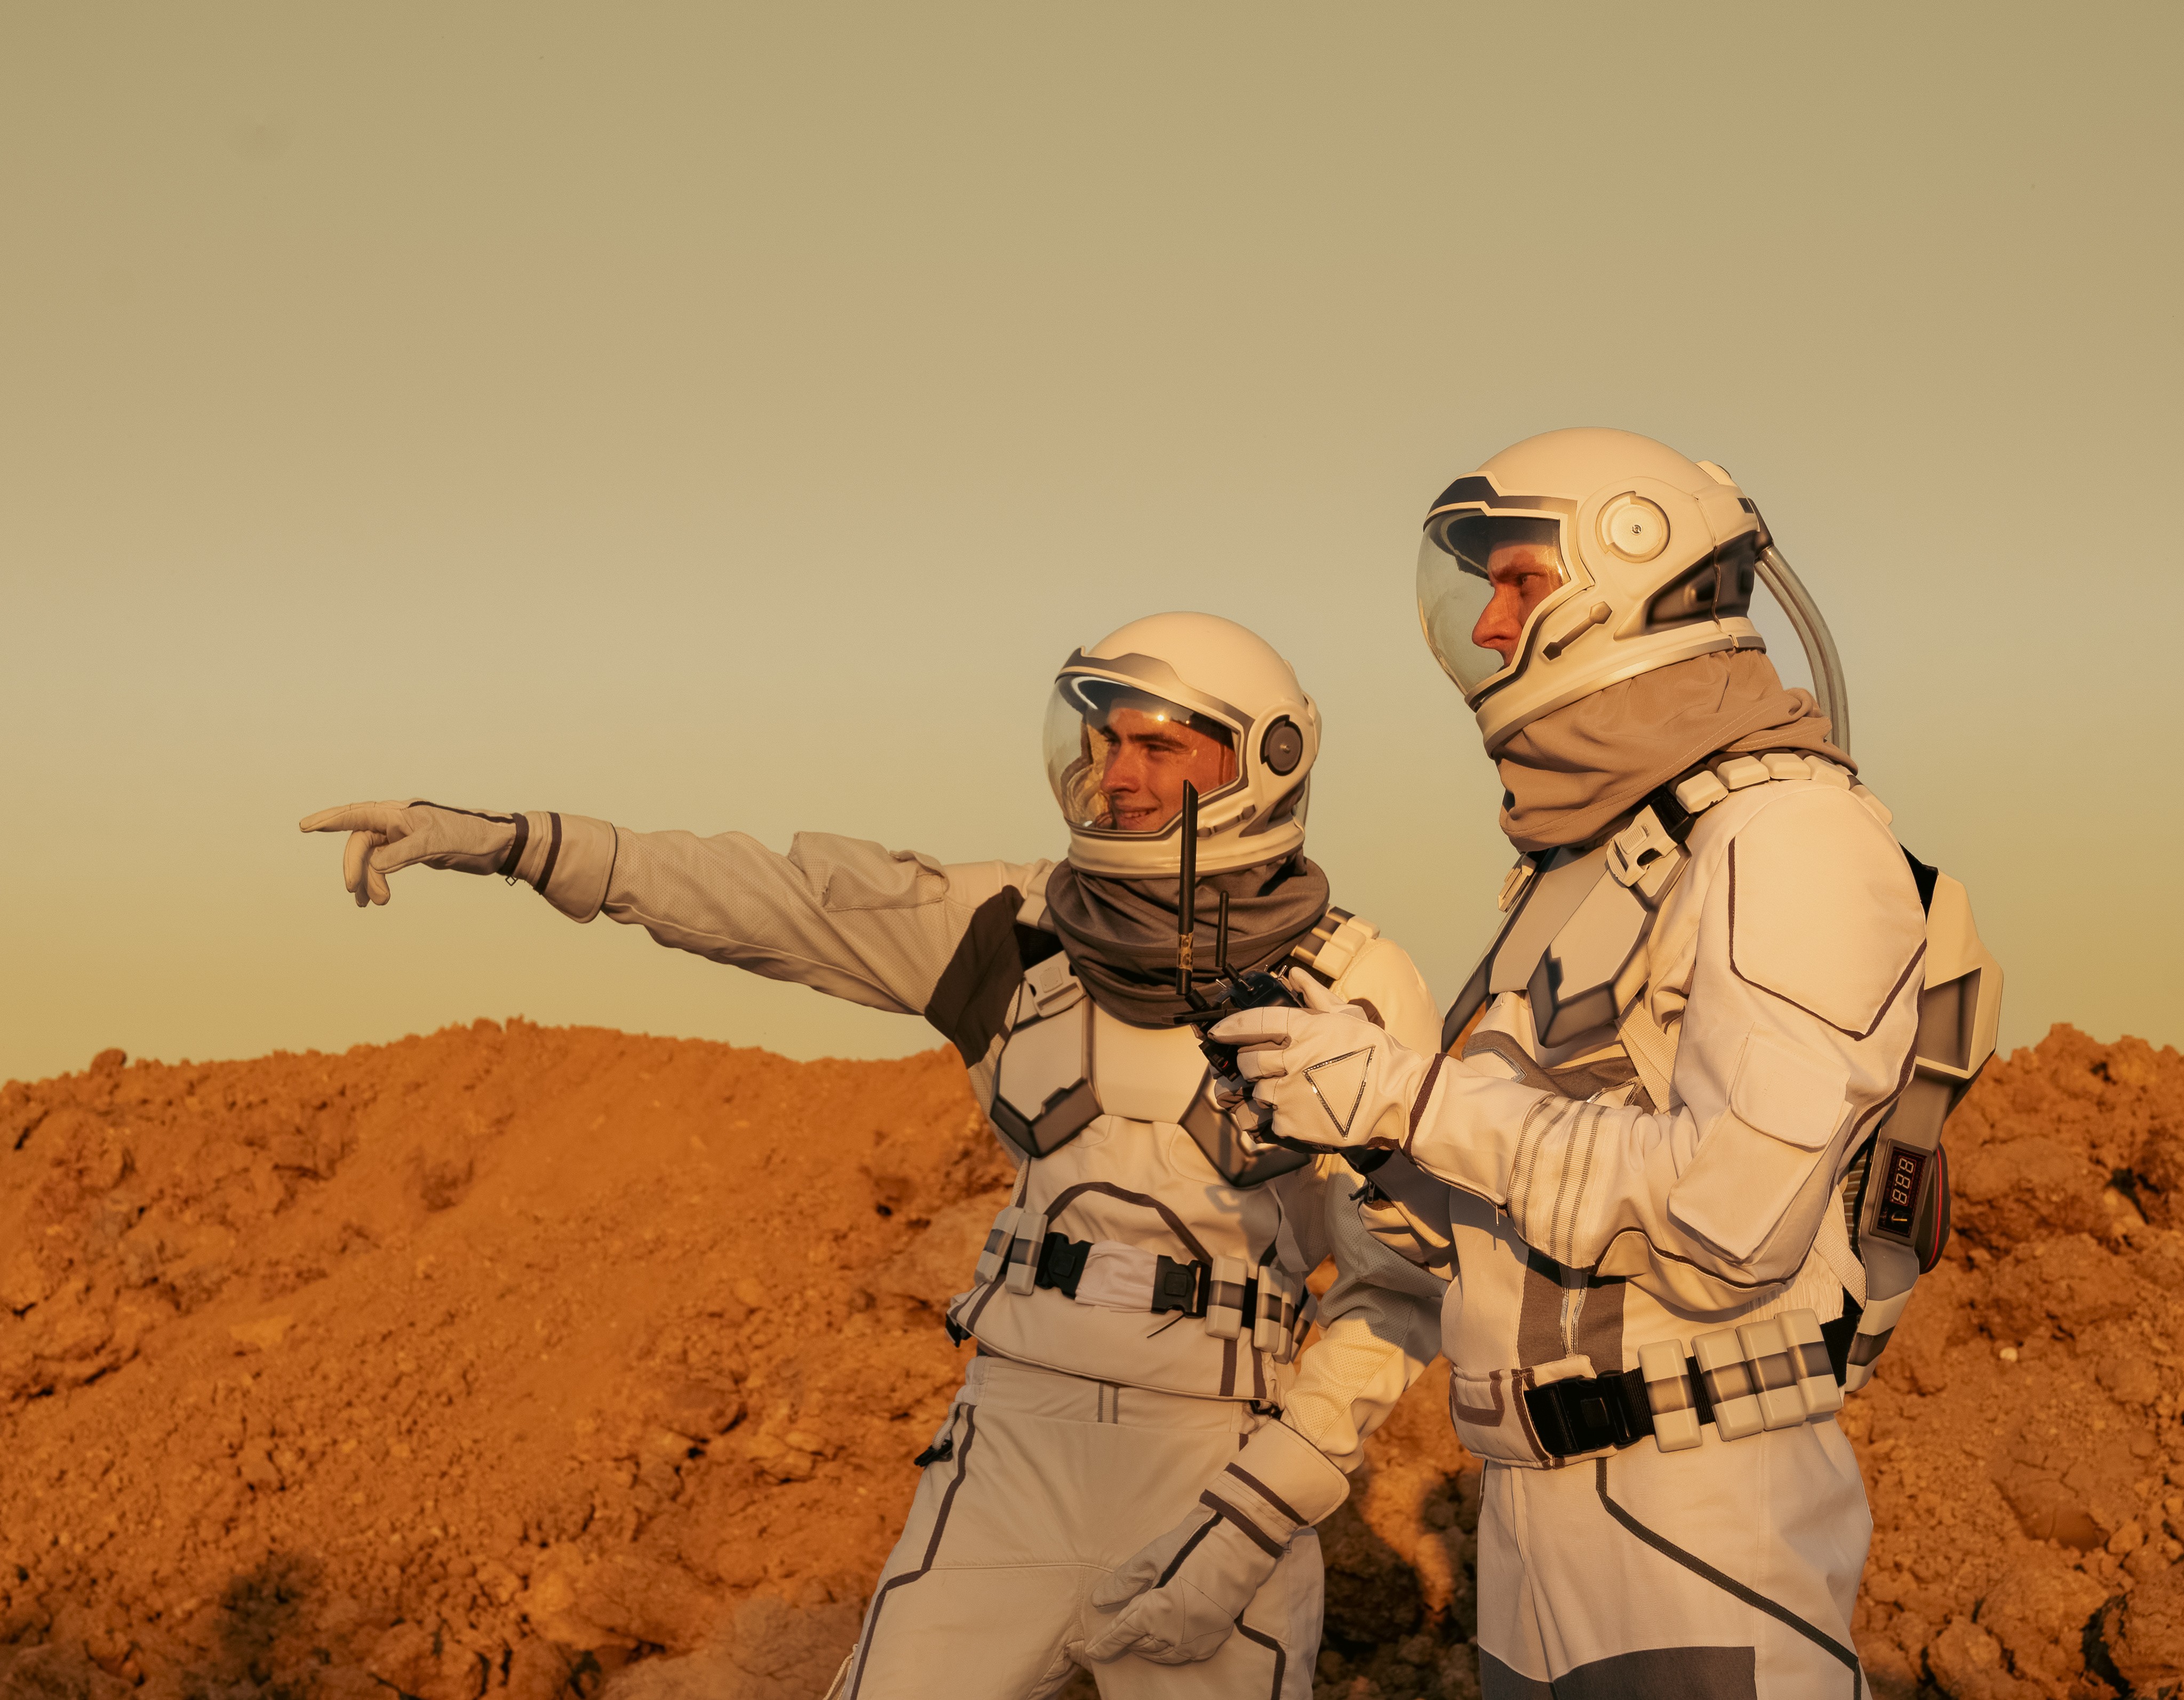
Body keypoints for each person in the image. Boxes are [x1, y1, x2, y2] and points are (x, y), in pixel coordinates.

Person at [300, 612, 1447, 1700]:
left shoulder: (1354, 984)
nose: (1117, 774)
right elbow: (768, 896)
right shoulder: (1010, 926)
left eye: (1157, 745)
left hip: (1221, 1459)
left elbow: (1402, 1284)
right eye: (1104, 742)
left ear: (1266, 758)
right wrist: (513, 843)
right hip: (1012, 1445)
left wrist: (1263, 1505)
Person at [1215, 432, 2000, 1698]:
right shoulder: (1587, 860)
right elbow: (1499, 1204)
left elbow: (1726, 1219)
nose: (1482, 626)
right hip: (1534, 1516)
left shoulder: (1786, 831)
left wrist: (1409, 1096)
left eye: (1515, 582)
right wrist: (1360, 1128)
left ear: (1628, 562)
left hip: (1696, 1508)